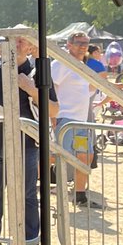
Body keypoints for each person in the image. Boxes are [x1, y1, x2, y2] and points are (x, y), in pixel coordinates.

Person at [0, 37, 56, 245]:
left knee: (27, 194)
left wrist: (32, 89)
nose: (17, 44)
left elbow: (54, 109)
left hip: (26, 144)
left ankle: (29, 244)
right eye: (13, 40)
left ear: (29, 46)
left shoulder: (37, 72)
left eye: (22, 40)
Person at [52, 31, 99, 207]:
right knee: (59, 157)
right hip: (65, 119)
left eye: (86, 43)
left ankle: (80, 196)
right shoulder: (61, 64)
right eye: (79, 43)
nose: (83, 46)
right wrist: (52, 114)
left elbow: (87, 91)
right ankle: (41, 185)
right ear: (69, 45)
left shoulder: (82, 66)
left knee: (85, 157)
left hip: (80, 121)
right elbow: (51, 87)